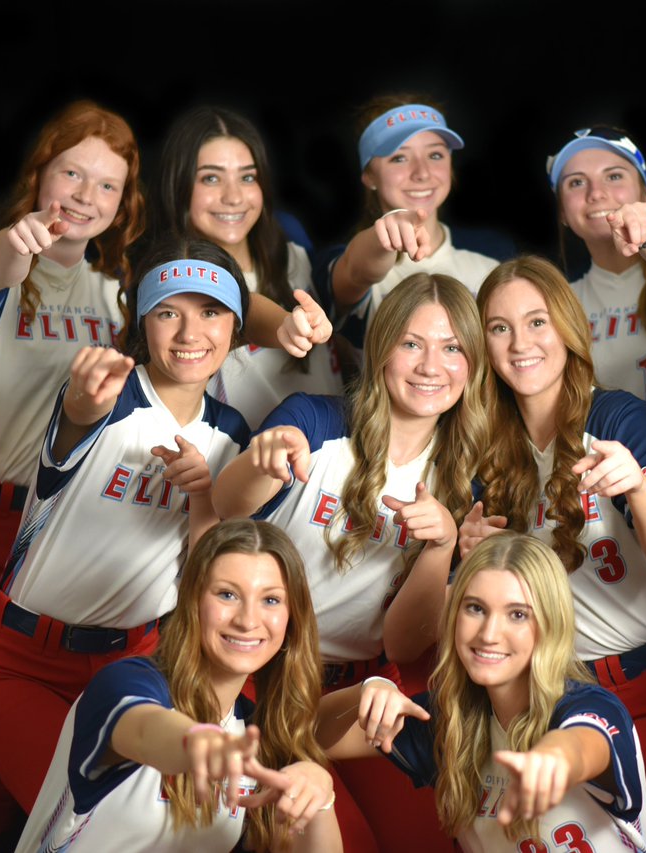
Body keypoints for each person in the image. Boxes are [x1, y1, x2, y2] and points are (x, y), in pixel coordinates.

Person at [0, 237, 323, 814]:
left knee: (150, 821)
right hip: (19, 659)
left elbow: (206, 570)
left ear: (235, 326)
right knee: (76, 820)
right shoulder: (111, 392)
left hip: (138, 667)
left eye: (210, 313)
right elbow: (79, 413)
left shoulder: (232, 432)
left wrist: (202, 493)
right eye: (167, 312)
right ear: (142, 321)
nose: (189, 334)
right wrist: (81, 400)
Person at [0, 100, 145, 848]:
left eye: (105, 186)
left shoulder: (119, 298)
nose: (84, 195)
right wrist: (20, 245)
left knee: (60, 748)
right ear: (40, 172)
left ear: (123, 205)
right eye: (70, 172)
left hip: (68, 534)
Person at [461, 255, 646, 833]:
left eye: (537, 322)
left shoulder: (616, 417)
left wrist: (637, 487)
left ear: (567, 327)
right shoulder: (488, 454)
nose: (520, 343)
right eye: (499, 327)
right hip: (568, 702)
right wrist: (467, 555)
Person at [212, 271, 487, 853]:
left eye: (452, 348)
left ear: (473, 364)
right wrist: (261, 462)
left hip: (361, 694)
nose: (430, 365)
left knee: (431, 838)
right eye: (412, 343)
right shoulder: (315, 420)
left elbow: (406, 645)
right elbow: (225, 510)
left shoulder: (468, 480)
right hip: (260, 680)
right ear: (382, 348)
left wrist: (440, 548)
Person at [319, 532, 646, 852]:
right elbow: (308, 735)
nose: (489, 634)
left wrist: (552, 761)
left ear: (549, 624)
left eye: (517, 614)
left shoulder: (588, 704)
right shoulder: (447, 721)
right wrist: (366, 691)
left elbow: (582, 742)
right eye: (475, 609)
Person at [16, 519, 342, 853]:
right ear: (193, 601)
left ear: (292, 619)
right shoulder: (127, 684)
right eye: (227, 594)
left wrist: (320, 793)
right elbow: (145, 730)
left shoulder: (256, 733)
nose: (247, 620)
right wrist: (198, 743)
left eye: (271, 600)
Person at [152, 106, 343, 428]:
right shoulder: (173, 283)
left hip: (337, 454)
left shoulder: (294, 253)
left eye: (247, 177)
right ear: (179, 187)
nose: (233, 196)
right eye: (211, 178)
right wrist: (285, 325)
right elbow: (245, 306)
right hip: (258, 465)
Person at [324, 96, 506, 353]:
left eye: (434, 155)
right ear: (369, 176)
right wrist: (386, 232)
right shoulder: (350, 265)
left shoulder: (489, 265)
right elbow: (356, 270)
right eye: (399, 158)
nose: (422, 172)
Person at [546, 127, 646, 401]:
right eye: (576, 182)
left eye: (614, 176)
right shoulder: (557, 304)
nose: (596, 193)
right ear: (563, 211)